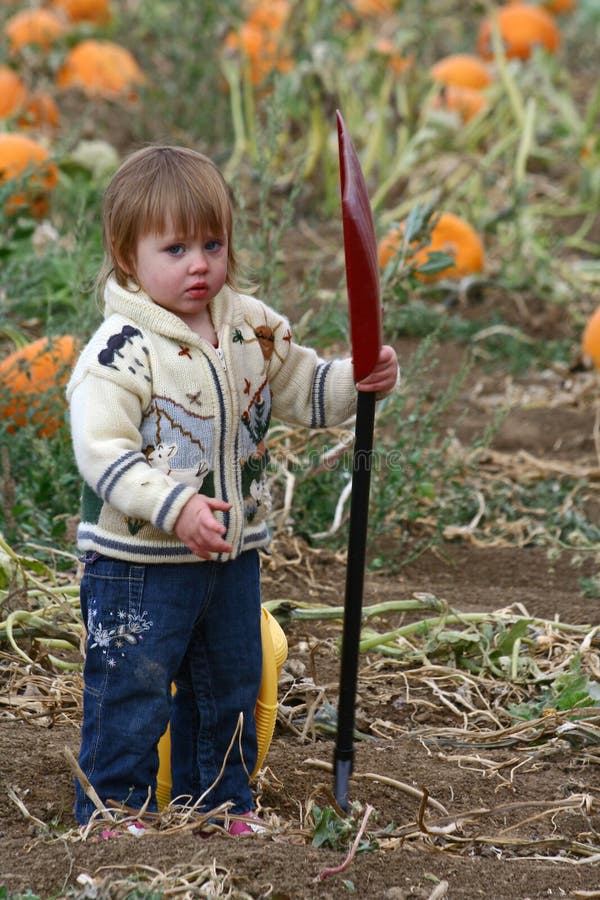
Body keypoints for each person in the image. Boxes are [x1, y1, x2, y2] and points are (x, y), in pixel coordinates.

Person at [67, 145, 398, 835]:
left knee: (230, 688)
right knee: (130, 688)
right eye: (176, 247)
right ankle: (110, 811)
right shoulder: (120, 350)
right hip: (139, 567)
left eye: (212, 244)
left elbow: (299, 386)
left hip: (228, 558)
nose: (199, 263)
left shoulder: (248, 324)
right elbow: (104, 454)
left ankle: (219, 805)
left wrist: (356, 380)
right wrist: (176, 506)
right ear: (128, 256)